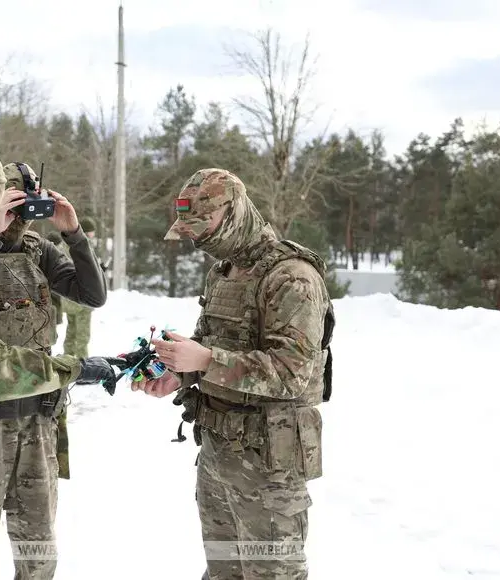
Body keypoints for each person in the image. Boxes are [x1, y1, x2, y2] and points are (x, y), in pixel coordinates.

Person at [137, 168, 335, 580]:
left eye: (202, 226)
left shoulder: (291, 276)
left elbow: (291, 373)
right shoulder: (222, 272)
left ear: (235, 212)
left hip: (268, 468)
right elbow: (209, 343)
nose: (197, 239)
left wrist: (206, 361)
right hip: (218, 459)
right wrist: (179, 373)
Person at [0, 161, 107, 580]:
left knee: (38, 555)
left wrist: (73, 232)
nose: (21, 218)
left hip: (38, 424)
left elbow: (93, 295)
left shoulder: (39, 251)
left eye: (26, 206)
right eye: (12, 205)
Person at [59, 216, 100, 359]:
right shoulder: (82, 247)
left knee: (71, 330)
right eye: (92, 232)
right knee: (83, 333)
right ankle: (83, 364)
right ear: (87, 232)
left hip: (68, 297)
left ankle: (67, 359)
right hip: (83, 298)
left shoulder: (65, 245)